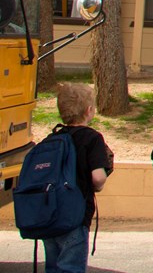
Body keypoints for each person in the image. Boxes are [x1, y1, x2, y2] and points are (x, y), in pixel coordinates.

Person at [43, 83, 113, 273]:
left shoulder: (52, 138)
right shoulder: (92, 138)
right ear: (89, 110)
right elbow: (98, 177)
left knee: (53, 267)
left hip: (50, 215)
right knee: (71, 267)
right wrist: (97, 187)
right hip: (75, 215)